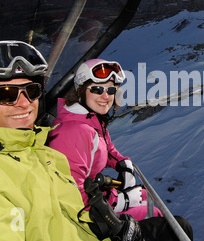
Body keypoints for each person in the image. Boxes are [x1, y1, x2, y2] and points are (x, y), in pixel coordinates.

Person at [0, 40, 192, 241]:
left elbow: (67, 213)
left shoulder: (37, 148)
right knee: (175, 229)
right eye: (3, 94)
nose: (23, 103)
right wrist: (121, 203)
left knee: (175, 228)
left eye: (31, 91)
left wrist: (123, 164)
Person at [48, 59, 163, 221]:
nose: (105, 96)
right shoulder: (73, 131)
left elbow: (107, 149)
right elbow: (71, 194)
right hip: (82, 216)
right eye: (97, 89)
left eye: (110, 91)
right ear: (81, 91)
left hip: (94, 197)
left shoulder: (93, 120)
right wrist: (120, 201)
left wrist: (123, 164)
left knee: (145, 197)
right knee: (157, 217)